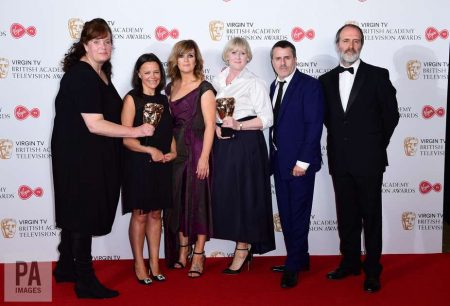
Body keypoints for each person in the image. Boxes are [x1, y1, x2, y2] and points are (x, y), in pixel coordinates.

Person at [51, 18, 154, 299]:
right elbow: (95, 124)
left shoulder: (101, 72)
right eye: (97, 41)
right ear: (85, 44)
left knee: (76, 207)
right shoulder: (82, 75)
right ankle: (84, 280)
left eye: (108, 41)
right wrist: (136, 131)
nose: (104, 46)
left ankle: (64, 266)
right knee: (82, 211)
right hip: (80, 156)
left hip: (92, 155)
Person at [319, 24, 399, 293]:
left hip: (369, 161)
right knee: (347, 216)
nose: (350, 46)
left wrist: (376, 145)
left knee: (371, 217)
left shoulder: (378, 75)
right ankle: (350, 262)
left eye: (355, 41)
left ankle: (373, 270)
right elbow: (328, 121)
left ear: (361, 44)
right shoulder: (326, 80)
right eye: (345, 40)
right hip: (340, 161)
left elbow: (391, 115)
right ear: (337, 44)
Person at [212, 37, 275, 274]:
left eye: (242, 53)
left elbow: (267, 119)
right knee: (228, 194)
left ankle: (243, 247)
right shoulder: (217, 82)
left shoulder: (254, 82)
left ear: (248, 57)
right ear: (226, 55)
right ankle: (240, 243)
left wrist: (238, 125)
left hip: (247, 142)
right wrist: (217, 126)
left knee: (246, 195)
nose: (238, 57)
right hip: (223, 144)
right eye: (234, 53)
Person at [269, 40, 324, 288]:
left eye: (287, 58)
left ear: (295, 59)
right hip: (279, 164)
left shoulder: (310, 86)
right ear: (272, 61)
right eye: (277, 58)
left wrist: (303, 162)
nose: (282, 62)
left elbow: (314, 127)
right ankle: (300, 258)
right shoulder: (272, 86)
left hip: (300, 165)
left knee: (298, 215)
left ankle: (293, 266)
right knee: (288, 215)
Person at [121, 53, 176, 285]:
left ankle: (154, 261)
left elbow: (168, 133)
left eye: (156, 72)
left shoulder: (165, 100)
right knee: (141, 214)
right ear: (139, 74)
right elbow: (126, 138)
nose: (153, 76)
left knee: (156, 214)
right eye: (147, 72)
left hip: (162, 164)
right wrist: (149, 151)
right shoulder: (132, 99)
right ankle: (139, 263)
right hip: (138, 164)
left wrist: (172, 151)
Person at [163, 39, 216, 278]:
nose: (186, 60)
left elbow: (210, 125)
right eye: (182, 56)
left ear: (196, 60)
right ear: (176, 60)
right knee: (177, 202)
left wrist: (204, 158)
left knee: (198, 203)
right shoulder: (169, 88)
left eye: (191, 56)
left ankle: (199, 254)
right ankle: (183, 250)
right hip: (176, 152)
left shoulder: (204, 88)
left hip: (196, 150)